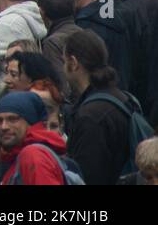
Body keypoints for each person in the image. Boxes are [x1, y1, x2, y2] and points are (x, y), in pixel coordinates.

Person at [62, 30, 149, 186]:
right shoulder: (123, 98)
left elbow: (88, 176)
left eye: (64, 61)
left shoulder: (90, 116)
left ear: (73, 63)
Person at [0, 91, 71, 185]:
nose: (4, 127)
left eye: (13, 119)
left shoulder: (33, 155)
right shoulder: (15, 156)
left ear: (30, 122)